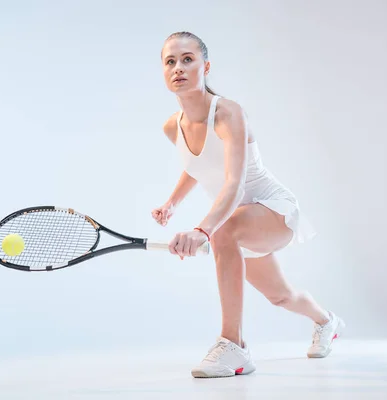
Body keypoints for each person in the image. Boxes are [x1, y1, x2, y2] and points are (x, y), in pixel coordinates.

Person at [151, 31, 345, 379]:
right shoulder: (172, 127)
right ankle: (327, 321)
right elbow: (197, 164)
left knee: (223, 231)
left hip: (273, 208)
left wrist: (202, 230)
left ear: (205, 66)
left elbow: (234, 182)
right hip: (236, 220)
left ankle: (233, 346)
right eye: (170, 61)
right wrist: (172, 203)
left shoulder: (228, 112)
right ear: (163, 72)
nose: (178, 67)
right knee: (281, 296)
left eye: (187, 59)